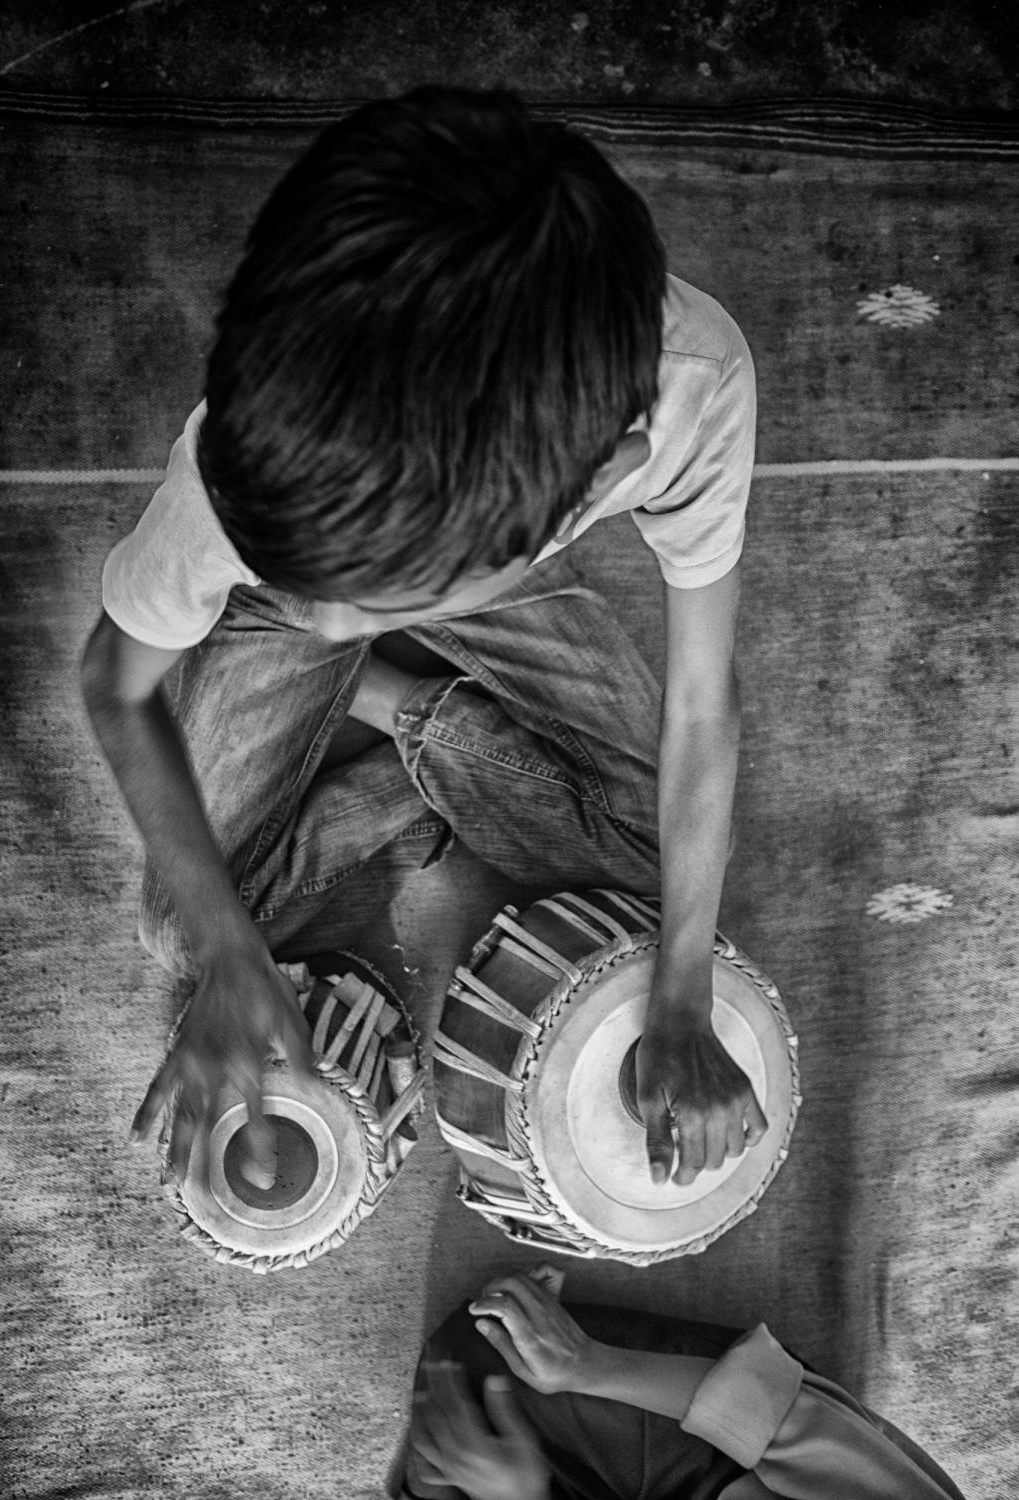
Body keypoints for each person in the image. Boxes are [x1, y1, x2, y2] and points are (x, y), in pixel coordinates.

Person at [81, 84, 765, 1189]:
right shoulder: (253, 470)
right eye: (334, 604)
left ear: (603, 477)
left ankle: (392, 703)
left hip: (492, 564)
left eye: (365, 606)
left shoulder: (697, 388)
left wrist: (684, 998)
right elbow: (116, 681)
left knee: (672, 868)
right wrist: (228, 950)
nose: (333, 624)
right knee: (184, 926)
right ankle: (385, 703)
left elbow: (702, 704)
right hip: (323, 570)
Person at [400, 1267, 967, 1499]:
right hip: (736, 1466)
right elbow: (783, 1420)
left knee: (441, 1450)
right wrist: (586, 1363)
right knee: (478, 1351)